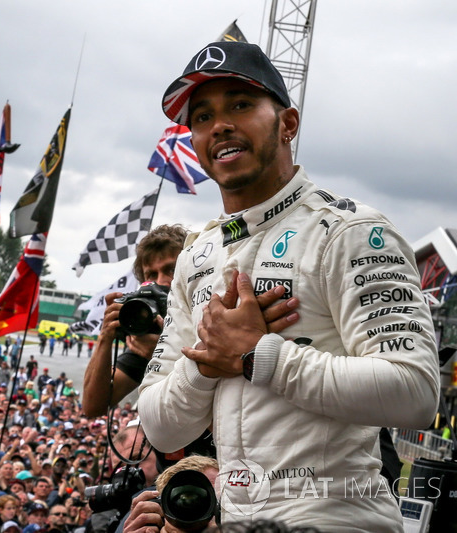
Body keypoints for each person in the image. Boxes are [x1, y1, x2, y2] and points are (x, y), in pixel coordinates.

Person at [138, 41, 439, 530]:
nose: (220, 125)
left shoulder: (351, 231)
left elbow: (416, 393)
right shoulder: (197, 254)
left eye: (240, 104)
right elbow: (159, 424)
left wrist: (259, 354)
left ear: (287, 124)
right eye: (202, 116)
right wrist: (212, 362)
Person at [82, 224, 298, 419]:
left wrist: (159, 357)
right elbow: (93, 407)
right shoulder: (149, 334)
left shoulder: (216, 316)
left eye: (170, 270)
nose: (161, 282)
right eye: (151, 274)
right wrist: (105, 336)